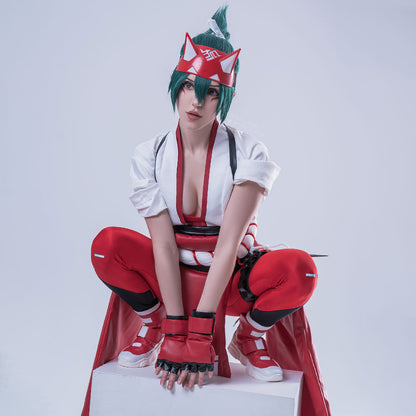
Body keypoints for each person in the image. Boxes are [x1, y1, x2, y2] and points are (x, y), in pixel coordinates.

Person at [82, 6, 331, 416]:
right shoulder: (149, 154)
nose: (196, 101)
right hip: (170, 275)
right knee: (106, 246)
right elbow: (163, 245)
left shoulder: (248, 152)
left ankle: (248, 337)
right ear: (175, 85)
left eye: (211, 92)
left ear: (225, 97)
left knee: (301, 270)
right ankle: (154, 323)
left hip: (230, 276)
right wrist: (175, 330)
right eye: (188, 86)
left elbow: (229, 245)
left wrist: (200, 334)